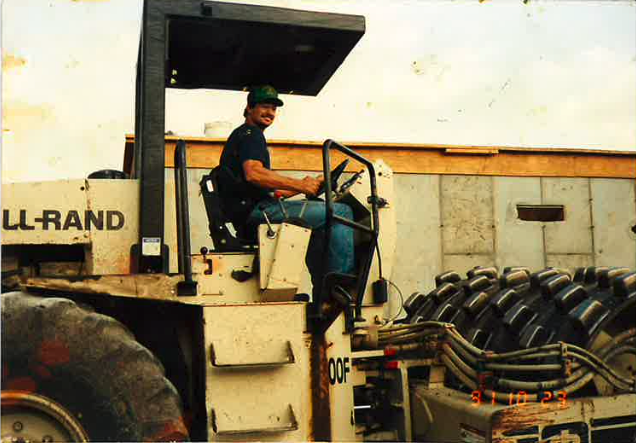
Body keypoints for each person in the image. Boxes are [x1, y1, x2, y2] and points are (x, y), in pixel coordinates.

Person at [216, 85, 355, 297]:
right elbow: (254, 173)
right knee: (340, 212)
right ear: (249, 108)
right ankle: (339, 292)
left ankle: (323, 295)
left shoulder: (242, 136)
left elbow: (272, 192)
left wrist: (311, 184)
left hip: (256, 209)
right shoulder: (251, 135)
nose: (269, 113)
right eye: (264, 106)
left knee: (322, 220)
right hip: (258, 213)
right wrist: (301, 186)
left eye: (273, 108)